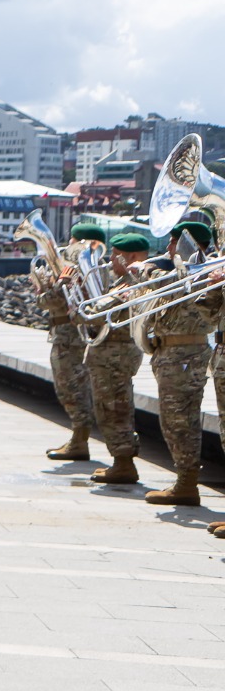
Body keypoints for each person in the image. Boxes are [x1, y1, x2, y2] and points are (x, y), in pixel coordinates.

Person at [133, 217, 225, 509]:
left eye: (173, 243)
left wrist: (143, 268)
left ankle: (186, 483)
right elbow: (212, 315)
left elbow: (166, 286)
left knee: (181, 421)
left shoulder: (193, 271)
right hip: (174, 354)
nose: (169, 248)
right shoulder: (195, 272)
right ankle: (183, 483)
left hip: (185, 355)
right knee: (173, 421)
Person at [42, 221, 105, 462]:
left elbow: (53, 299)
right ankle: (79, 437)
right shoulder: (92, 266)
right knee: (72, 386)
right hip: (69, 333)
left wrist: (45, 290)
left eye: (72, 240)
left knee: (71, 387)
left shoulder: (79, 266)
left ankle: (80, 440)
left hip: (69, 335)